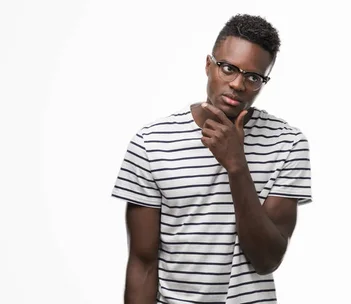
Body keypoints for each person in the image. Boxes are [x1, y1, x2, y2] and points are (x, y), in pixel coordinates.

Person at [111, 14, 312, 304]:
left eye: (253, 77)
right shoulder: (151, 143)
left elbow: (267, 260)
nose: (238, 84)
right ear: (208, 65)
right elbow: (142, 263)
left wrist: (237, 165)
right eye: (228, 68)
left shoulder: (288, 144)